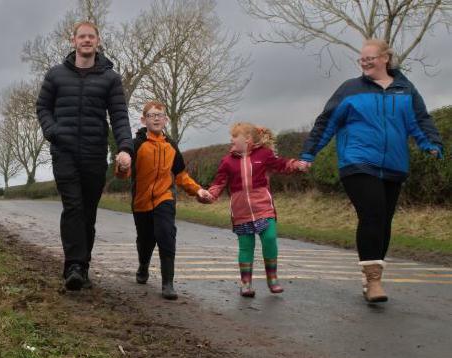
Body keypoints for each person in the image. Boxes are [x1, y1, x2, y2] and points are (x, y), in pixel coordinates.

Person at [298, 39, 443, 303]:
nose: (365, 62)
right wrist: (309, 154)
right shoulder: (350, 89)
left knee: (384, 220)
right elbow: (326, 121)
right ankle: (374, 281)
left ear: (385, 58)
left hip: (394, 164)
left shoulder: (405, 88)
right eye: (361, 59)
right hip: (358, 162)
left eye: (370, 57)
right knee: (373, 214)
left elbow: (420, 120)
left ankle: (370, 274)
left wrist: (430, 143)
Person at [36, 21, 134, 291]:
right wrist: (53, 132)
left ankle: (83, 265)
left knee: (88, 212)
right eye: (82, 36)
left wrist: (125, 148)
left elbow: (119, 116)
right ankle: (73, 266)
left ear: (98, 41)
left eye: (91, 36)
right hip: (64, 151)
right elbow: (42, 107)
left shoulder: (110, 78)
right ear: (73, 40)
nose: (87, 40)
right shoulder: (55, 75)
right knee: (73, 207)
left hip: (94, 153)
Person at [115, 101, 212, 299]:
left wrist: (198, 191)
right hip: (141, 202)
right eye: (151, 115)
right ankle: (143, 265)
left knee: (166, 233)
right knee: (145, 240)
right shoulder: (137, 145)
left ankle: (168, 283)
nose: (156, 118)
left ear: (166, 120)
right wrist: (122, 167)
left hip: (165, 197)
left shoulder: (172, 146)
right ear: (144, 120)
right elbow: (124, 175)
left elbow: (181, 176)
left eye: (160, 115)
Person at [205, 123, 308, 297]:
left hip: (263, 208)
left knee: (269, 238)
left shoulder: (264, 154)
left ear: (247, 139)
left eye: (234, 136)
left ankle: (273, 279)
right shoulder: (227, 161)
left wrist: (296, 165)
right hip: (241, 212)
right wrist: (208, 195)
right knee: (246, 247)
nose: (231, 140)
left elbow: (281, 164)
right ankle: (246, 284)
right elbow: (219, 183)